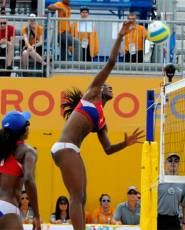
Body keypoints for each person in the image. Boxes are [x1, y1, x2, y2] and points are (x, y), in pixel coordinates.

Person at [50, 20, 142, 230]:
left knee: (82, 198)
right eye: (107, 85)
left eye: (110, 86)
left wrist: (125, 143)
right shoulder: (91, 93)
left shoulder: (101, 121)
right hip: (65, 148)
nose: (109, 86)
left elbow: (108, 149)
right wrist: (120, 36)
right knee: (76, 197)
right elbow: (110, 63)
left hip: (72, 150)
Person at [157, 153, 185, 230]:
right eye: (170, 160)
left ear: (178, 164)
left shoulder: (182, 183)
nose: (173, 163)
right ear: (165, 163)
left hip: (174, 220)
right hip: (158, 219)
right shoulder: (158, 179)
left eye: (176, 161)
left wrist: (184, 224)